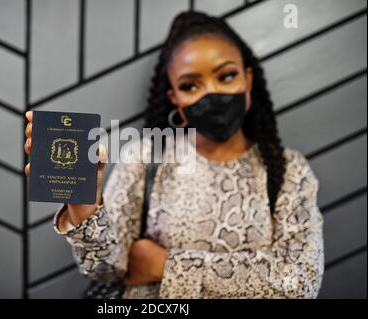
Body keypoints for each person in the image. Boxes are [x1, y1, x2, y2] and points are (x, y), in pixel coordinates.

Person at [24, 11, 324, 299]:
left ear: (248, 79)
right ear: (175, 99)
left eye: (227, 76)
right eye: (191, 85)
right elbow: (106, 269)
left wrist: (164, 265)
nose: (213, 93)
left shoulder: (288, 170)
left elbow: (299, 281)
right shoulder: (145, 157)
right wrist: (84, 203)